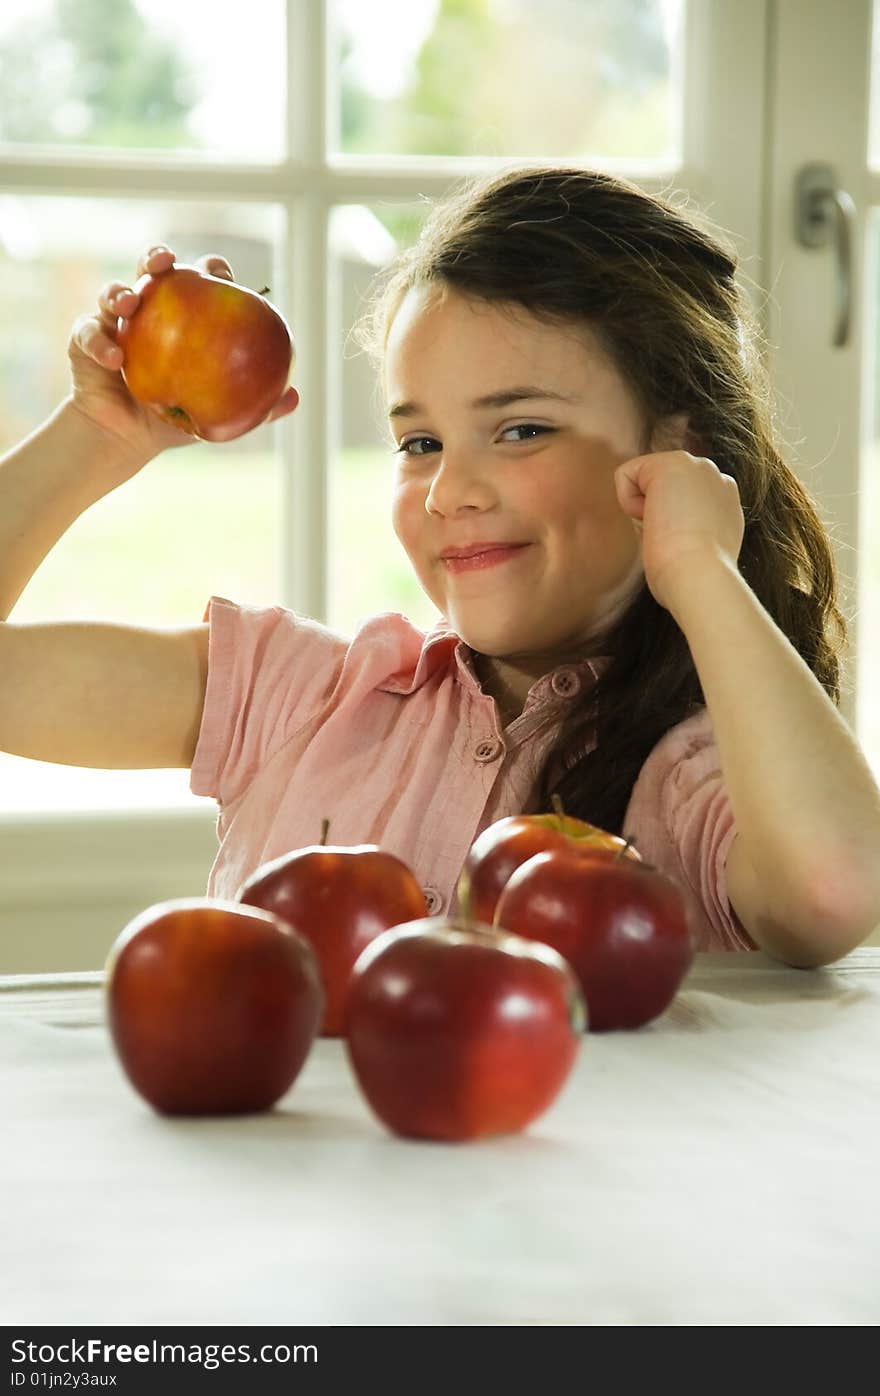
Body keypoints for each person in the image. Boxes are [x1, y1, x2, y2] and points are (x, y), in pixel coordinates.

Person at [1, 166, 879, 969]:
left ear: (676, 449)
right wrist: (95, 439)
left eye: (522, 429)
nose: (450, 489)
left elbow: (832, 895)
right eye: (419, 442)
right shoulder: (296, 698)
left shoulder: (697, 779)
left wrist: (701, 571)